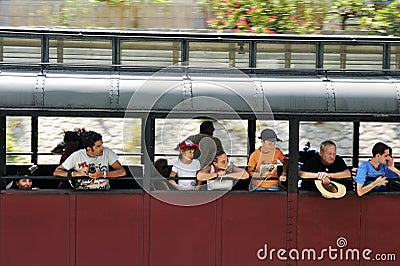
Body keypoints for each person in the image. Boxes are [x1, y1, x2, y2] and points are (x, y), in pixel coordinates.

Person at [53, 130, 126, 190]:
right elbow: (57, 171)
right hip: (81, 194)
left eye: (102, 145)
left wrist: (102, 174)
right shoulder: (77, 155)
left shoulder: (107, 152)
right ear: (89, 149)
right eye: (98, 146)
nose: (102, 148)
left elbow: (122, 171)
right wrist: (77, 174)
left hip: (104, 194)